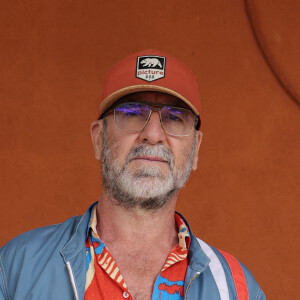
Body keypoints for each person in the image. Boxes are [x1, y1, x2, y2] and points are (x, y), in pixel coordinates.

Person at [0, 49, 265, 300]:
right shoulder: (17, 269)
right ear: (98, 139)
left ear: (195, 149)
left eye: (174, 117)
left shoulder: (236, 288)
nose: (153, 134)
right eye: (131, 113)